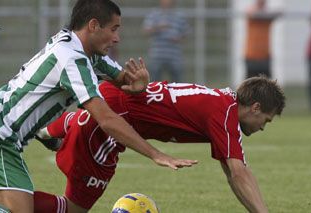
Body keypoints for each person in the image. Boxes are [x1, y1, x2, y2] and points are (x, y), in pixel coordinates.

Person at [0, 1, 197, 213]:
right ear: (93, 25)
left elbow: (121, 79)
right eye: (114, 29)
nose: (117, 37)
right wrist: (156, 154)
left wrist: (138, 85)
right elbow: (105, 118)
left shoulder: (82, 49)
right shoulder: (72, 59)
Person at [33, 76, 286, 213]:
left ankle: (52, 129)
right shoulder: (225, 115)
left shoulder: (223, 102)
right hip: (111, 124)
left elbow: (236, 170)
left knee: (81, 122)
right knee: (74, 209)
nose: (263, 126)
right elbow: (238, 172)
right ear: (255, 107)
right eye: (266, 119)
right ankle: (3, 203)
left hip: (110, 98)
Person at [142, 0, 190, 82]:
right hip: (157, 55)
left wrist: (178, 39)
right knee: (154, 82)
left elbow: (186, 34)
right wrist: (158, 27)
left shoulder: (180, 16)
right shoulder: (154, 14)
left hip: (175, 56)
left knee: (177, 83)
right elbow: (145, 31)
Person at [244, 0, 281, 78]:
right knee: (250, 84)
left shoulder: (267, 17)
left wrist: (266, 14)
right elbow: (252, 13)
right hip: (252, 56)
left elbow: (279, 12)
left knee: (266, 85)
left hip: (265, 55)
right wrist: (265, 14)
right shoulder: (252, 11)